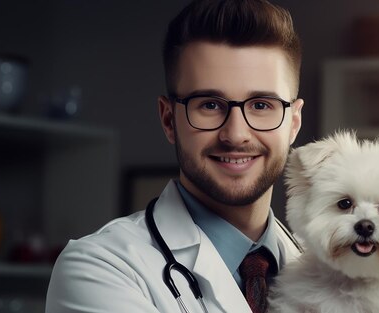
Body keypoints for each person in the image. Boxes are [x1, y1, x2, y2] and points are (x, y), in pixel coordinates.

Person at [45, 0, 304, 312]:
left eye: (261, 105)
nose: (236, 134)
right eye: (209, 104)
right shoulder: (99, 268)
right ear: (169, 120)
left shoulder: (328, 269)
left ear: (293, 123)